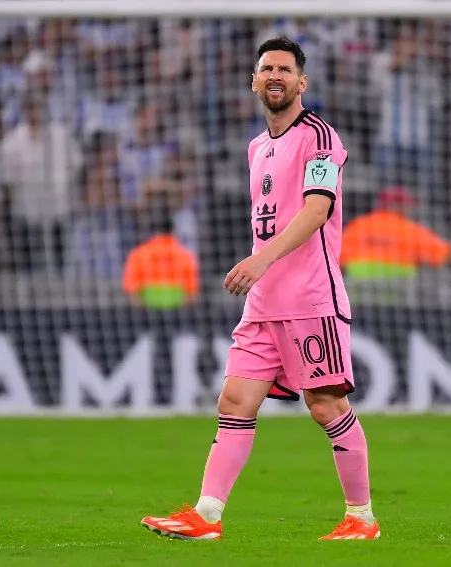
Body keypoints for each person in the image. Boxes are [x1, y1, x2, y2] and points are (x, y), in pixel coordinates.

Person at [141, 37, 379, 541]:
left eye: (285, 69)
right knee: (234, 401)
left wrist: (260, 259)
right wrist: (260, 272)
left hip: (311, 298)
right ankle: (207, 516)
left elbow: (317, 211)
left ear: (301, 82)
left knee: (326, 406)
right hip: (263, 303)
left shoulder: (319, 136)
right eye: (266, 68)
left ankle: (361, 518)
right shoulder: (256, 147)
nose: (275, 75)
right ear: (254, 81)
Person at [341, 186, 451, 284]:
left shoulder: (358, 226)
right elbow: (448, 256)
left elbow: (337, 262)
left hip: (357, 297)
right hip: (399, 297)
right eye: (406, 205)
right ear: (395, 206)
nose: (409, 210)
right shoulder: (407, 229)